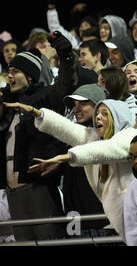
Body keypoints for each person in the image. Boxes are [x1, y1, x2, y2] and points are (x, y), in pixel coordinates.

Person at [26, 99, 137, 242]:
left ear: (117, 117)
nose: (98, 117)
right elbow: (68, 129)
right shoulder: (96, 138)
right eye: (97, 113)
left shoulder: (132, 135)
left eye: (105, 114)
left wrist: (64, 157)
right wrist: (38, 113)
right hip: (117, 220)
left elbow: (107, 149)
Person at [0, 33, 77, 241]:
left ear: (30, 76)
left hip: (38, 187)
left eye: (15, 71)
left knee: (49, 240)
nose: (10, 76)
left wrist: (66, 56)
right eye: (9, 71)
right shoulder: (7, 105)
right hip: (12, 193)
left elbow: (64, 85)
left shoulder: (44, 97)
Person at [58, 83, 112, 237]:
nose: (76, 109)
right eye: (74, 105)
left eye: (83, 103)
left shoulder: (109, 140)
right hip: (75, 220)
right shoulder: (69, 140)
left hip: (103, 222)